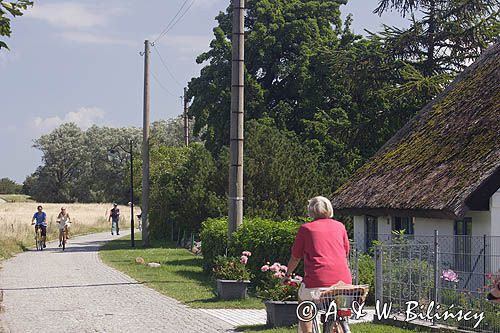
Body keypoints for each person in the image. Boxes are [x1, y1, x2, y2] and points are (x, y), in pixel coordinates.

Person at [283, 196, 352, 333]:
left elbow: (295, 257)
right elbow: (345, 252)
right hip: (343, 282)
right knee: (338, 310)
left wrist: (288, 275)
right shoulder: (340, 227)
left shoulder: (306, 229)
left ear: (311, 211)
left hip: (316, 282)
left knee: (304, 303)